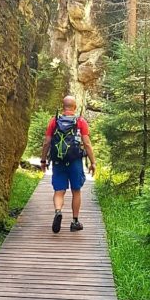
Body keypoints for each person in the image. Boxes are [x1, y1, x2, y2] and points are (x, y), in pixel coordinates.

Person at [40, 96, 96, 233]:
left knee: (59, 191)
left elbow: (47, 142)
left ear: (63, 106)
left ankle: (58, 211)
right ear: (75, 107)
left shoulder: (54, 121)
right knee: (76, 191)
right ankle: (75, 222)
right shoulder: (80, 121)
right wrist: (93, 162)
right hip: (75, 161)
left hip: (58, 160)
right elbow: (87, 143)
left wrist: (43, 160)